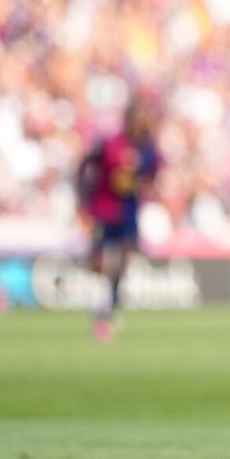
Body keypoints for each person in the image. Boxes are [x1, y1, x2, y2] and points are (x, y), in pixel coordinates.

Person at [78, 99, 160, 342]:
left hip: (128, 211)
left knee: (124, 259)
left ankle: (109, 306)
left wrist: (144, 185)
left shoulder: (149, 148)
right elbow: (86, 164)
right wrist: (83, 196)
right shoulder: (111, 143)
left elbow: (152, 172)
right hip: (104, 208)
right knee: (100, 260)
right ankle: (100, 300)